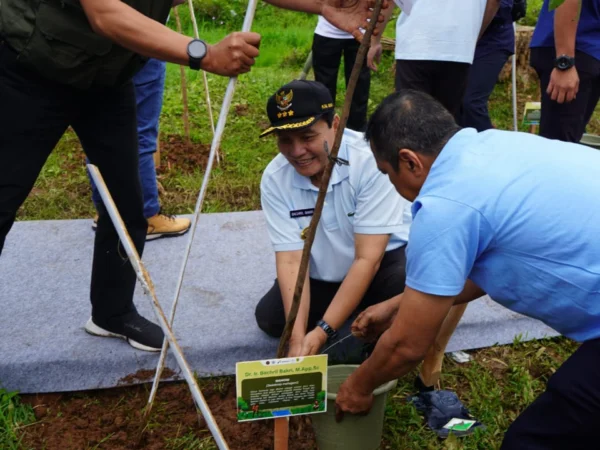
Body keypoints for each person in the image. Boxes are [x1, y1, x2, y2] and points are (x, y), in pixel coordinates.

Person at [0, 0, 383, 352]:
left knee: (127, 205)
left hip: (106, 79)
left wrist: (322, 5)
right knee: (4, 196)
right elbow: (105, 13)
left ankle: (111, 313)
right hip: (30, 69)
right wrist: (203, 53)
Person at [333, 89, 600, 449]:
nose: (392, 186)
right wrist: (399, 306)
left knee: (535, 441)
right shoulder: (496, 145)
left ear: (410, 162)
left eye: (387, 173)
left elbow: (406, 347)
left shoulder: (444, 203)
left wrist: (358, 387)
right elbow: (486, 263)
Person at [254, 80, 412, 360]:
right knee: (271, 319)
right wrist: (297, 336)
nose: (296, 151)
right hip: (322, 273)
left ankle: (358, 316)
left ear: (335, 124)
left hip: (380, 264)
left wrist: (323, 330)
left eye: (307, 137)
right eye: (285, 140)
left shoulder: (370, 162)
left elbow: (368, 259)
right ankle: (351, 312)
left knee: (402, 287)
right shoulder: (275, 178)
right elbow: (291, 260)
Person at [88, 57, 192, 241]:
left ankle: (108, 213)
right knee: (139, 132)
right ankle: (147, 216)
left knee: (99, 130)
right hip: (137, 49)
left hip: (94, 53)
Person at [367, 0, 496, 121]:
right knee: (446, 122)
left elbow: (387, 2)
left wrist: (375, 40)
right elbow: (494, 2)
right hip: (458, 46)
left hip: (417, 42)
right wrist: (471, 37)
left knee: (409, 117)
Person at [530, 0, 600, 143]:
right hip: (573, 49)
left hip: (588, 50)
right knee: (559, 146)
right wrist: (565, 62)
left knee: (568, 142)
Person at [461, 0, 526, 131]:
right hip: (457, 40)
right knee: (452, 102)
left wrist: (472, 38)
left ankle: (487, 146)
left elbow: (498, 6)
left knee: (470, 102)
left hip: (492, 39)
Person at [311, 17, 371, 131]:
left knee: (359, 85)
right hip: (327, 32)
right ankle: (325, 125)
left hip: (360, 33)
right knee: (324, 86)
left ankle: (356, 130)